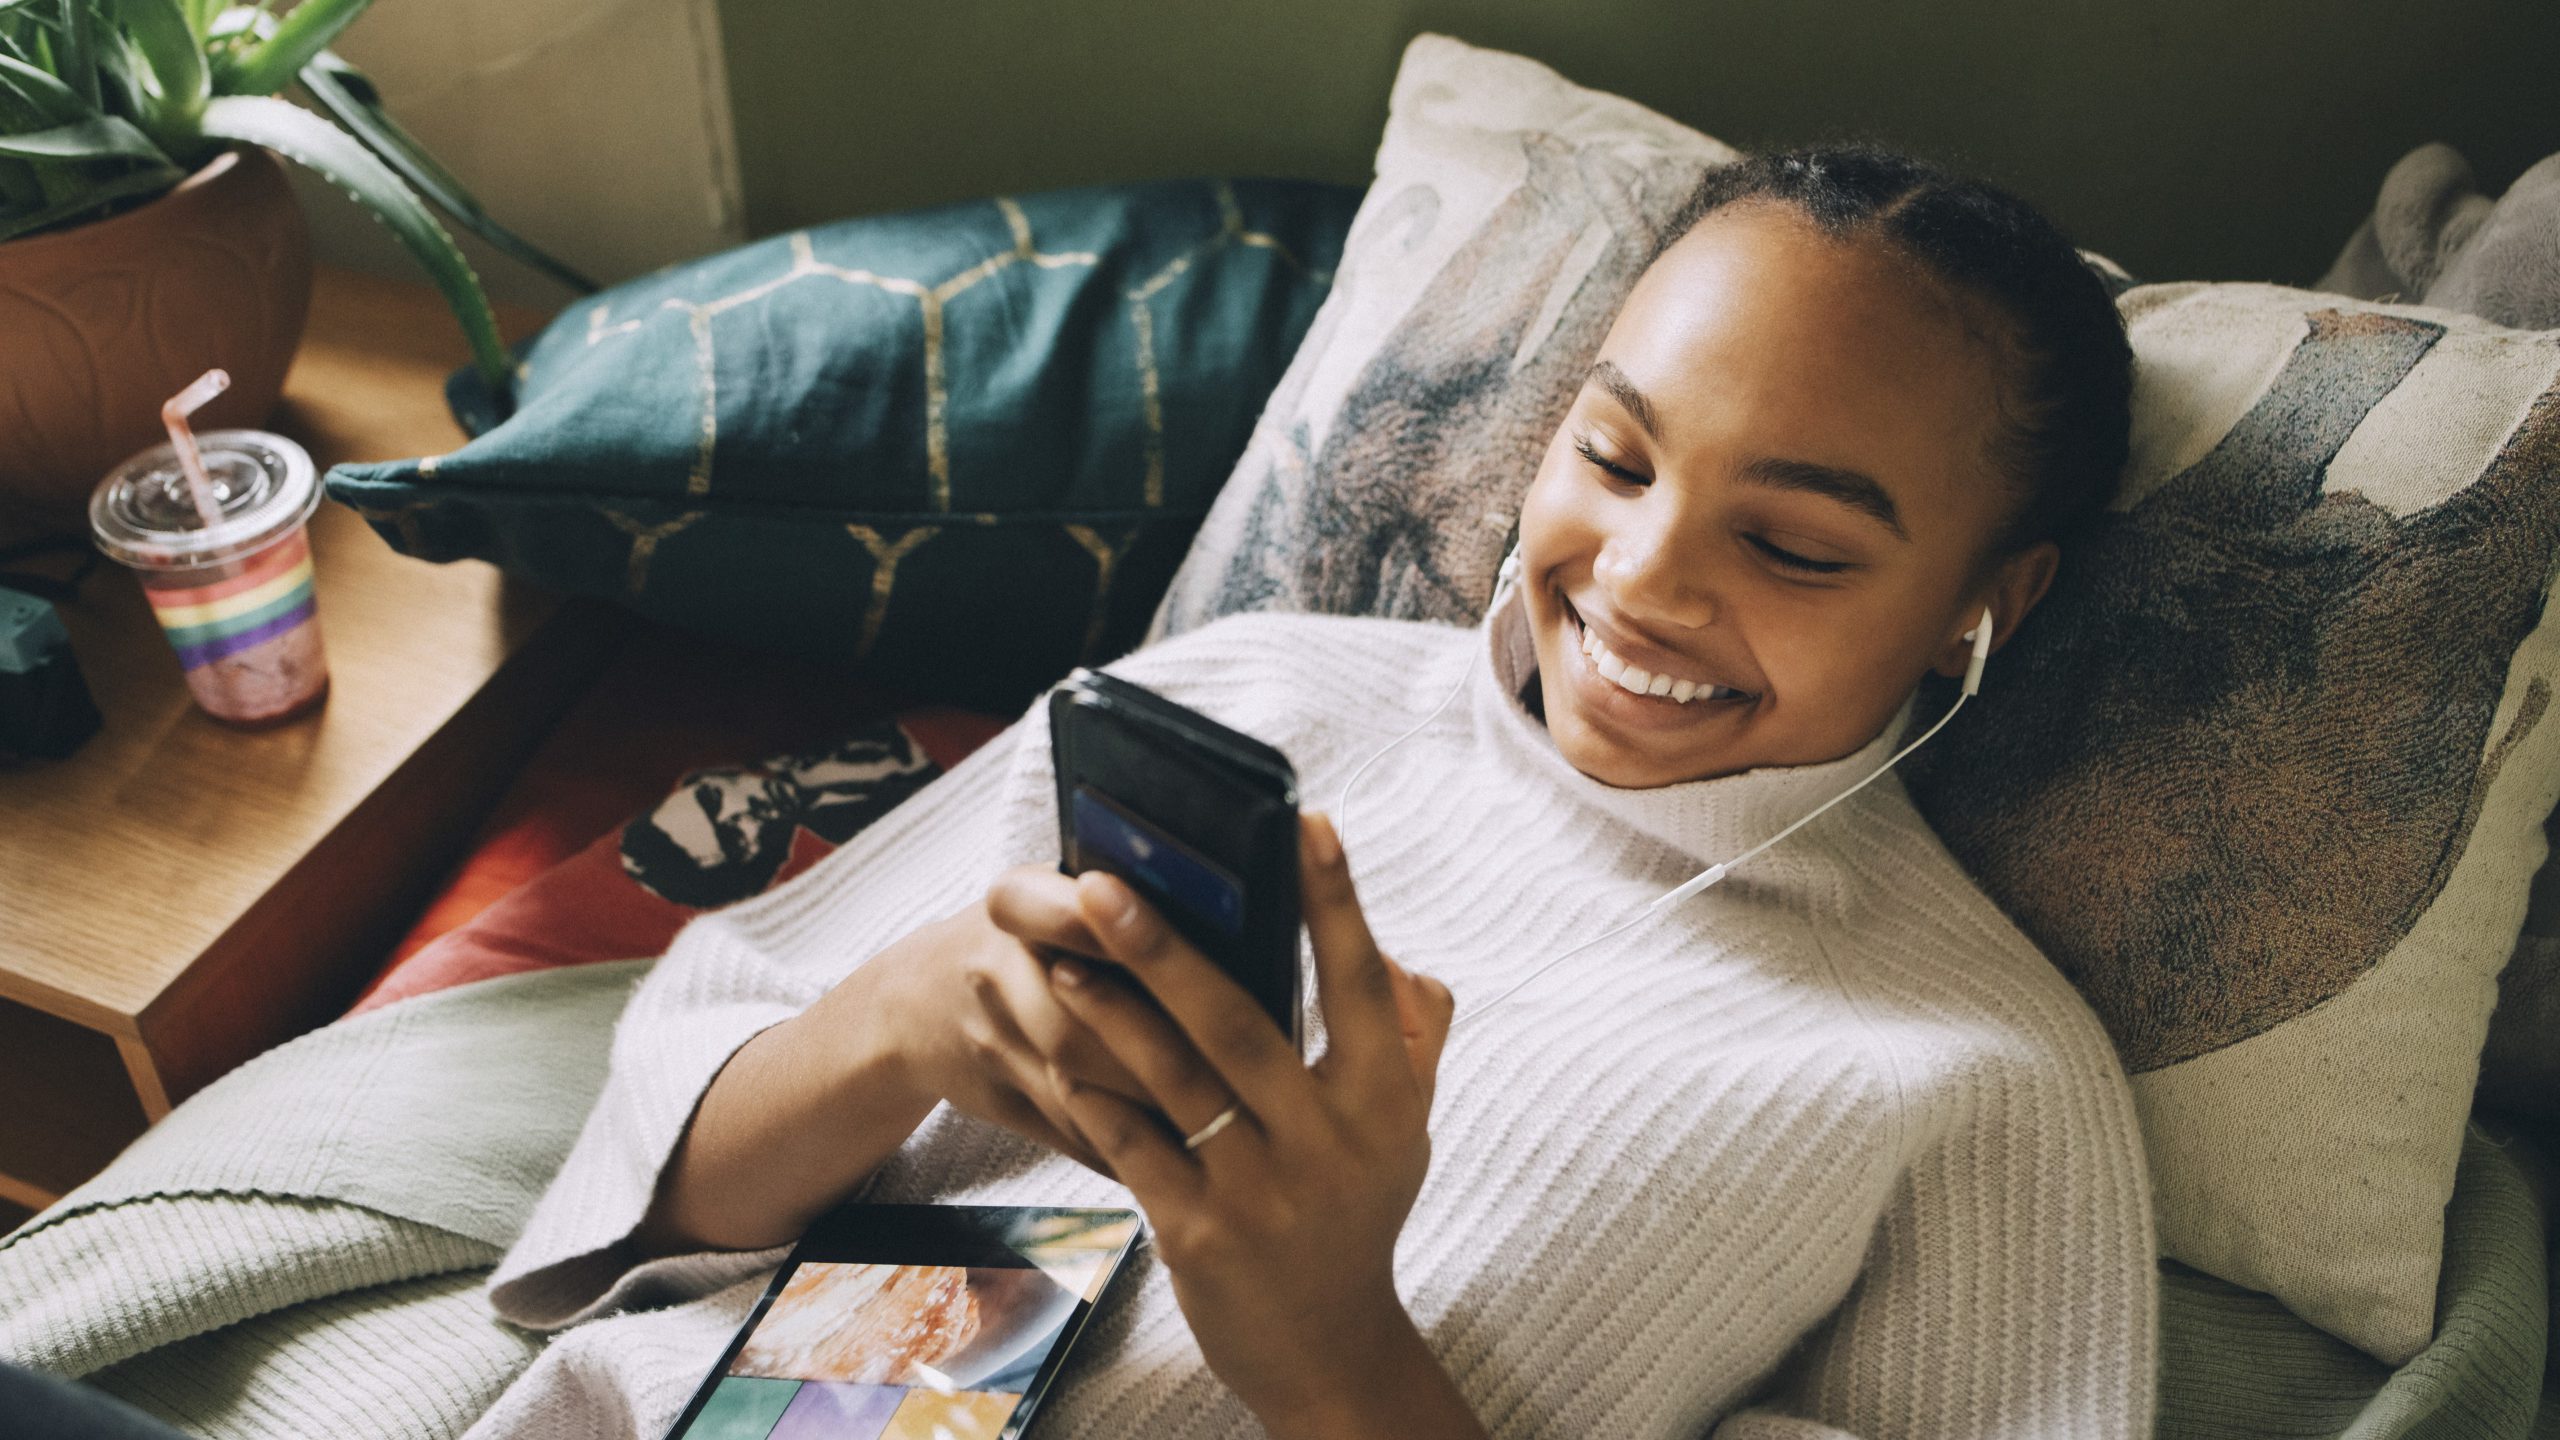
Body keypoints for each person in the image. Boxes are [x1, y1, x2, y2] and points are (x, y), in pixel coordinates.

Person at [472, 145, 2158, 1439]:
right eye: (1614, 456)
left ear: (1981, 606)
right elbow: (645, 1198)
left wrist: (1331, 1346)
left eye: (1792, 543)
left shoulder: (1973, 1085)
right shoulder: (1250, 692)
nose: (1641, 578)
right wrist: (901, 1027)